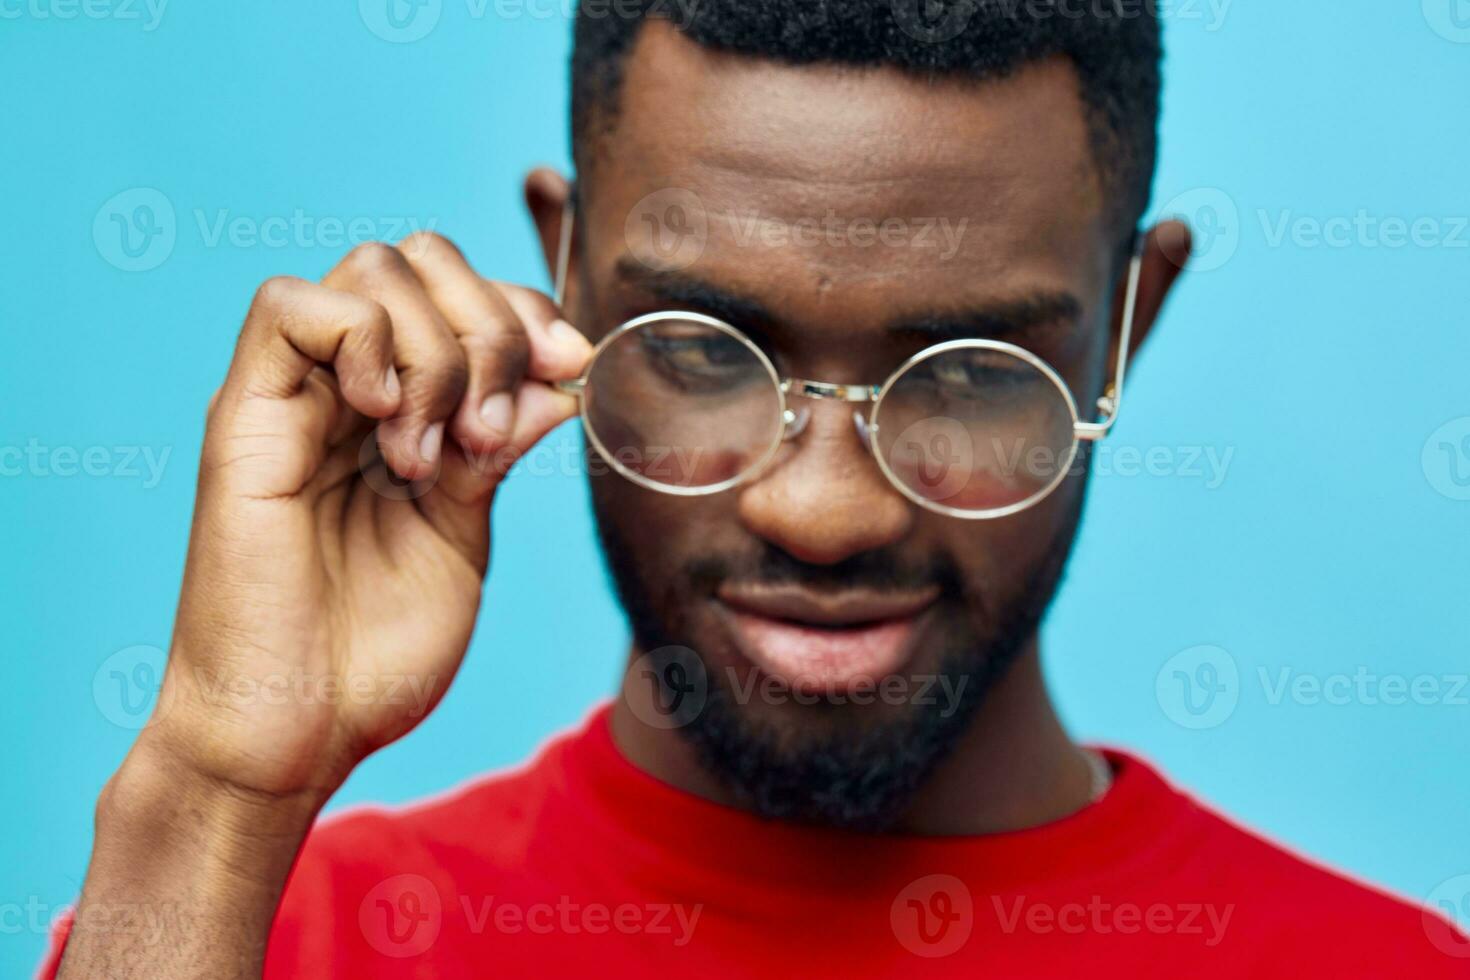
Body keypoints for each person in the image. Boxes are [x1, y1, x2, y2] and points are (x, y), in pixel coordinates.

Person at [47, 2, 1467, 976]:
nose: (823, 514)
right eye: (703, 350)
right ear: (565, 278)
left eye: (970, 372)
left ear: (1127, 324)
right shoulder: (246, 927)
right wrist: (212, 785)